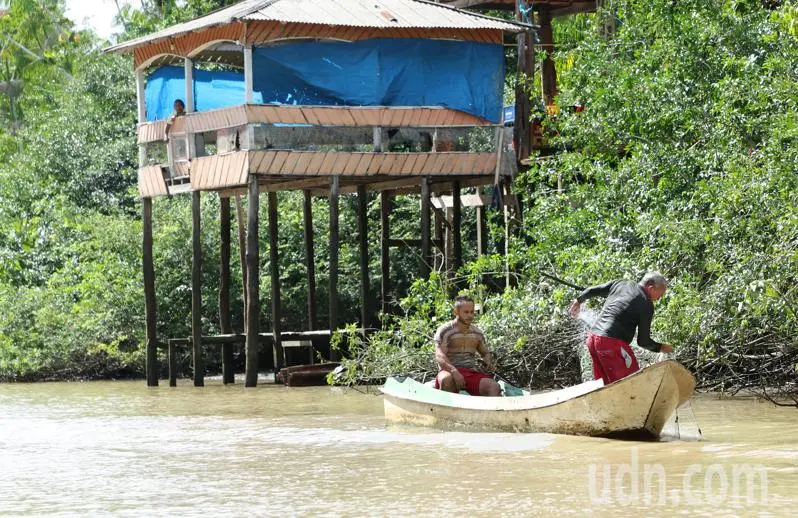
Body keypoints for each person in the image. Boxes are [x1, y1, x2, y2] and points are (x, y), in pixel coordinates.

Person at [569, 272, 674, 385]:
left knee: (607, 386)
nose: (659, 299)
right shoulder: (646, 304)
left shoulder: (620, 284)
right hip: (610, 345)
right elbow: (643, 341)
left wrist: (578, 301)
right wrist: (662, 347)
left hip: (592, 340)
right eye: (660, 294)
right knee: (632, 383)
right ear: (651, 288)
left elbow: (591, 291)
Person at [433, 295, 501, 397]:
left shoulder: (477, 333)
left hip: (470, 372)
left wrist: (488, 361)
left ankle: (490, 412)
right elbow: (439, 355)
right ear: (456, 312)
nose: (470, 315)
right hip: (448, 371)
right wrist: (454, 372)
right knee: (446, 380)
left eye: (472, 312)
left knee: (494, 387)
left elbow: (485, 353)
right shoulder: (445, 330)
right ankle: (446, 412)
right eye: (466, 312)